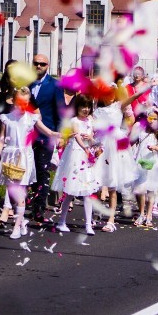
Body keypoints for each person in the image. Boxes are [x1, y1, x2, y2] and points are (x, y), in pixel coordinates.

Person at [0, 87, 59, 240]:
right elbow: (1, 140)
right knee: (12, 191)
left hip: (24, 157)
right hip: (10, 156)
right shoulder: (6, 118)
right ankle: (21, 222)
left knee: (20, 191)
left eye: (26, 103)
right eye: (20, 103)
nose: (23, 106)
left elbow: (48, 132)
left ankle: (16, 226)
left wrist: (59, 134)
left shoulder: (32, 118)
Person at [94, 82, 151, 232]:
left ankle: (111, 220)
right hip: (101, 145)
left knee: (112, 184)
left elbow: (134, 96)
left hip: (115, 145)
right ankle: (97, 214)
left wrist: (147, 86)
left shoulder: (118, 106)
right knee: (99, 182)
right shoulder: (97, 110)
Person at [51, 95, 101, 235]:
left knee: (88, 192)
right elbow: (78, 137)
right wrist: (85, 148)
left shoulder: (91, 121)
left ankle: (88, 225)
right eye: (82, 106)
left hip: (86, 157)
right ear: (77, 107)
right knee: (70, 192)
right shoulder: (74, 121)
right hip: (75, 156)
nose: (86, 109)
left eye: (88, 107)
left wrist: (91, 140)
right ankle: (61, 221)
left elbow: (92, 140)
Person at [27, 54, 64, 220]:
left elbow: (60, 112)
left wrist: (60, 134)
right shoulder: (26, 84)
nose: (38, 66)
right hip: (27, 134)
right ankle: (32, 202)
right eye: (36, 63)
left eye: (42, 64)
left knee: (42, 171)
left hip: (47, 134)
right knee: (31, 170)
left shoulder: (55, 85)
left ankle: (39, 208)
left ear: (47, 66)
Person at [133, 113, 158, 226]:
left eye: (155, 119)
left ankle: (149, 215)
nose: (152, 121)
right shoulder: (141, 131)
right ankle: (141, 214)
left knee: (151, 190)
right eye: (150, 118)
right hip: (142, 161)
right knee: (141, 189)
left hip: (153, 162)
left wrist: (155, 148)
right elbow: (135, 143)